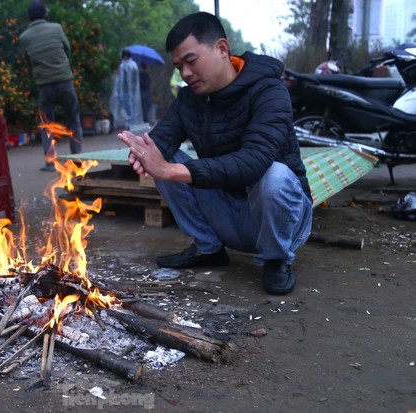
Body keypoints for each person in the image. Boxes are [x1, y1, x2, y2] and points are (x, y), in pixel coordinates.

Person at [117, 12, 313, 295]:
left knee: (275, 175)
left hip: (280, 220)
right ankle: (208, 248)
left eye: (191, 61)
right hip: (229, 215)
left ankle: (276, 258)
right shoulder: (189, 99)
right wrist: (142, 152)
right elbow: (164, 138)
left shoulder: (270, 91)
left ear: (222, 48)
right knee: (159, 156)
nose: (185, 73)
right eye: (179, 66)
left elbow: (254, 161)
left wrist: (170, 171)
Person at [19, 0, 82, 172]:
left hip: (45, 86)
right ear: (45, 14)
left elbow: (27, 60)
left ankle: (50, 162)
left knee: (47, 124)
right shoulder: (56, 28)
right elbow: (67, 49)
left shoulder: (24, 37)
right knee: (74, 120)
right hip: (65, 81)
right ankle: (77, 160)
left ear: (29, 17)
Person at [110, 48, 143, 130]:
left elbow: (122, 81)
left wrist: (119, 91)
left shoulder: (125, 66)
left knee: (127, 110)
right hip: (130, 92)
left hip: (126, 92)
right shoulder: (133, 65)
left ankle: (128, 126)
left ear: (125, 56)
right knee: (130, 109)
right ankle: (129, 125)